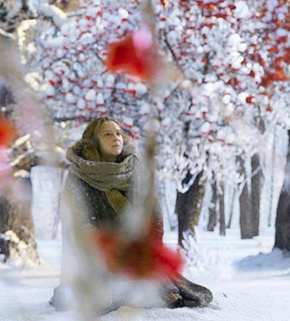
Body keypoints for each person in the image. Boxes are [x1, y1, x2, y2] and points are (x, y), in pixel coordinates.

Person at [50, 117, 213, 311]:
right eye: (107, 134)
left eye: (118, 133)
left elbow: (153, 212)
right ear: (94, 142)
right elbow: (77, 223)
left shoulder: (135, 168)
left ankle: (160, 291)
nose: (115, 138)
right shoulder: (79, 174)